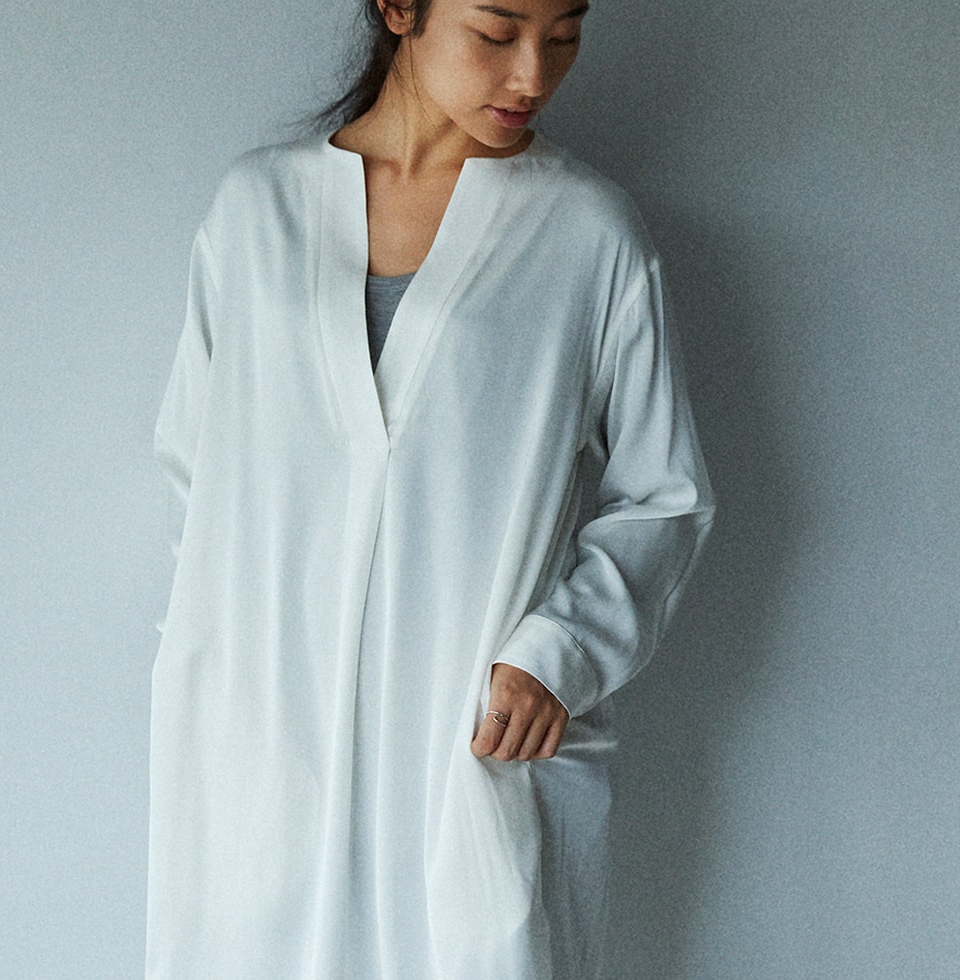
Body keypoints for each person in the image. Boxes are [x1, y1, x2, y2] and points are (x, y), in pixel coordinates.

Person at [144, 0, 715, 975]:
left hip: (470, 750)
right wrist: (227, 677)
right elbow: (197, 473)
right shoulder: (256, 214)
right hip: (267, 749)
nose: (532, 75)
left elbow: (664, 494)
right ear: (400, 7)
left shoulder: (587, 235)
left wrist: (559, 655)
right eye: (496, 31)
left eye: (565, 34)